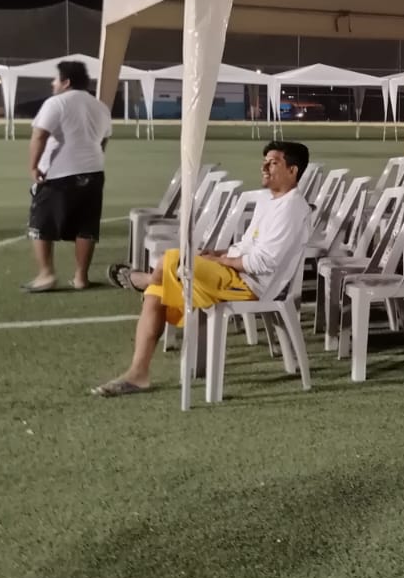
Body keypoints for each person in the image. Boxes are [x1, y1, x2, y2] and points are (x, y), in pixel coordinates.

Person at [92, 140, 311, 397]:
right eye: (264, 162)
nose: (264, 168)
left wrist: (221, 262)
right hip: (236, 273)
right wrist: (219, 254)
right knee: (157, 292)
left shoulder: (292, 208)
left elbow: (264, 262)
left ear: (292, 170)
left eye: (273, 163)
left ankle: (145, 279)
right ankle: (138, 373)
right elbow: (246, 246)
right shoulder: (269, 200)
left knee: (174, 259)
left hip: (251, 285)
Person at [24, 60, 114, 292]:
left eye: (56, 79)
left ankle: (46, 274)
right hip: (93, 172)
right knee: (86, 226)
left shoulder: (56, 103)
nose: (52, 83)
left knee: (42, 222)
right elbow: (103, 140)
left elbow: (39, 135)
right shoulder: (100, 107)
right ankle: (81, 277)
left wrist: (33, 166)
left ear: (66, 82)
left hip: (59, 173)